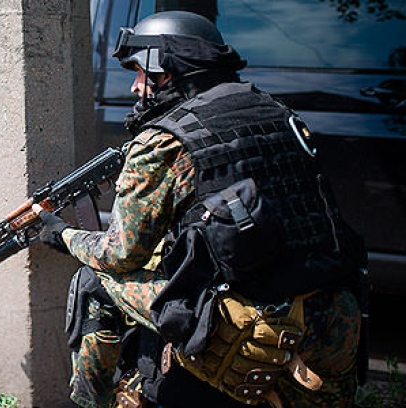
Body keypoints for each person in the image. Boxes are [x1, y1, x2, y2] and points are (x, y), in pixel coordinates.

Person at [32, 10, 367, 408]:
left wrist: (63, 234)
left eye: (140, 73)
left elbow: (120, 254)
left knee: (93, 280)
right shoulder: (279, 113)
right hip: (335, 315)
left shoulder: (163, 141)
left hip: (257, 322)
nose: (136, 86)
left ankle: (92, 402)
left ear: (168, 72)